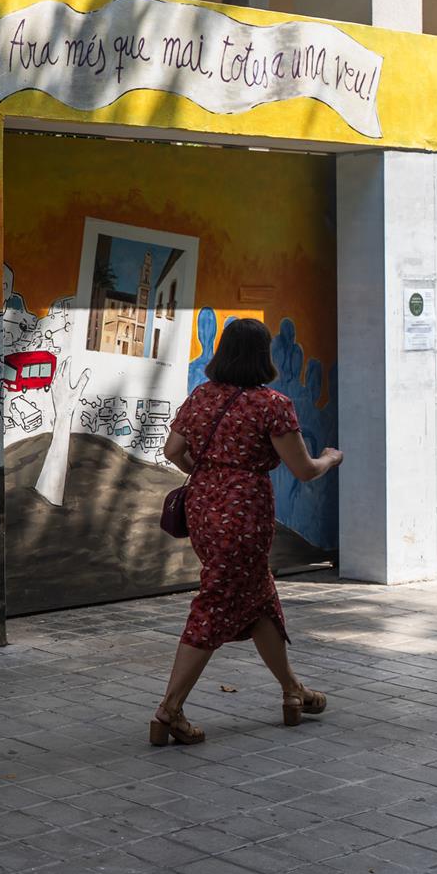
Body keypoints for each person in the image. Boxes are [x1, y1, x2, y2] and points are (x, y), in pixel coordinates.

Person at [151, 318, 343, 746]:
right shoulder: (272, 404)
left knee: (257, 598)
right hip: (245, 514)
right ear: (264, 356)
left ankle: (293, 691)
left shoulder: (201, 395)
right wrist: (330, 457)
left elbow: (173, 451)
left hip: (202, 508)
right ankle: (168, 710)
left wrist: (209, 475)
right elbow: (304, 469)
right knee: (217, 601)